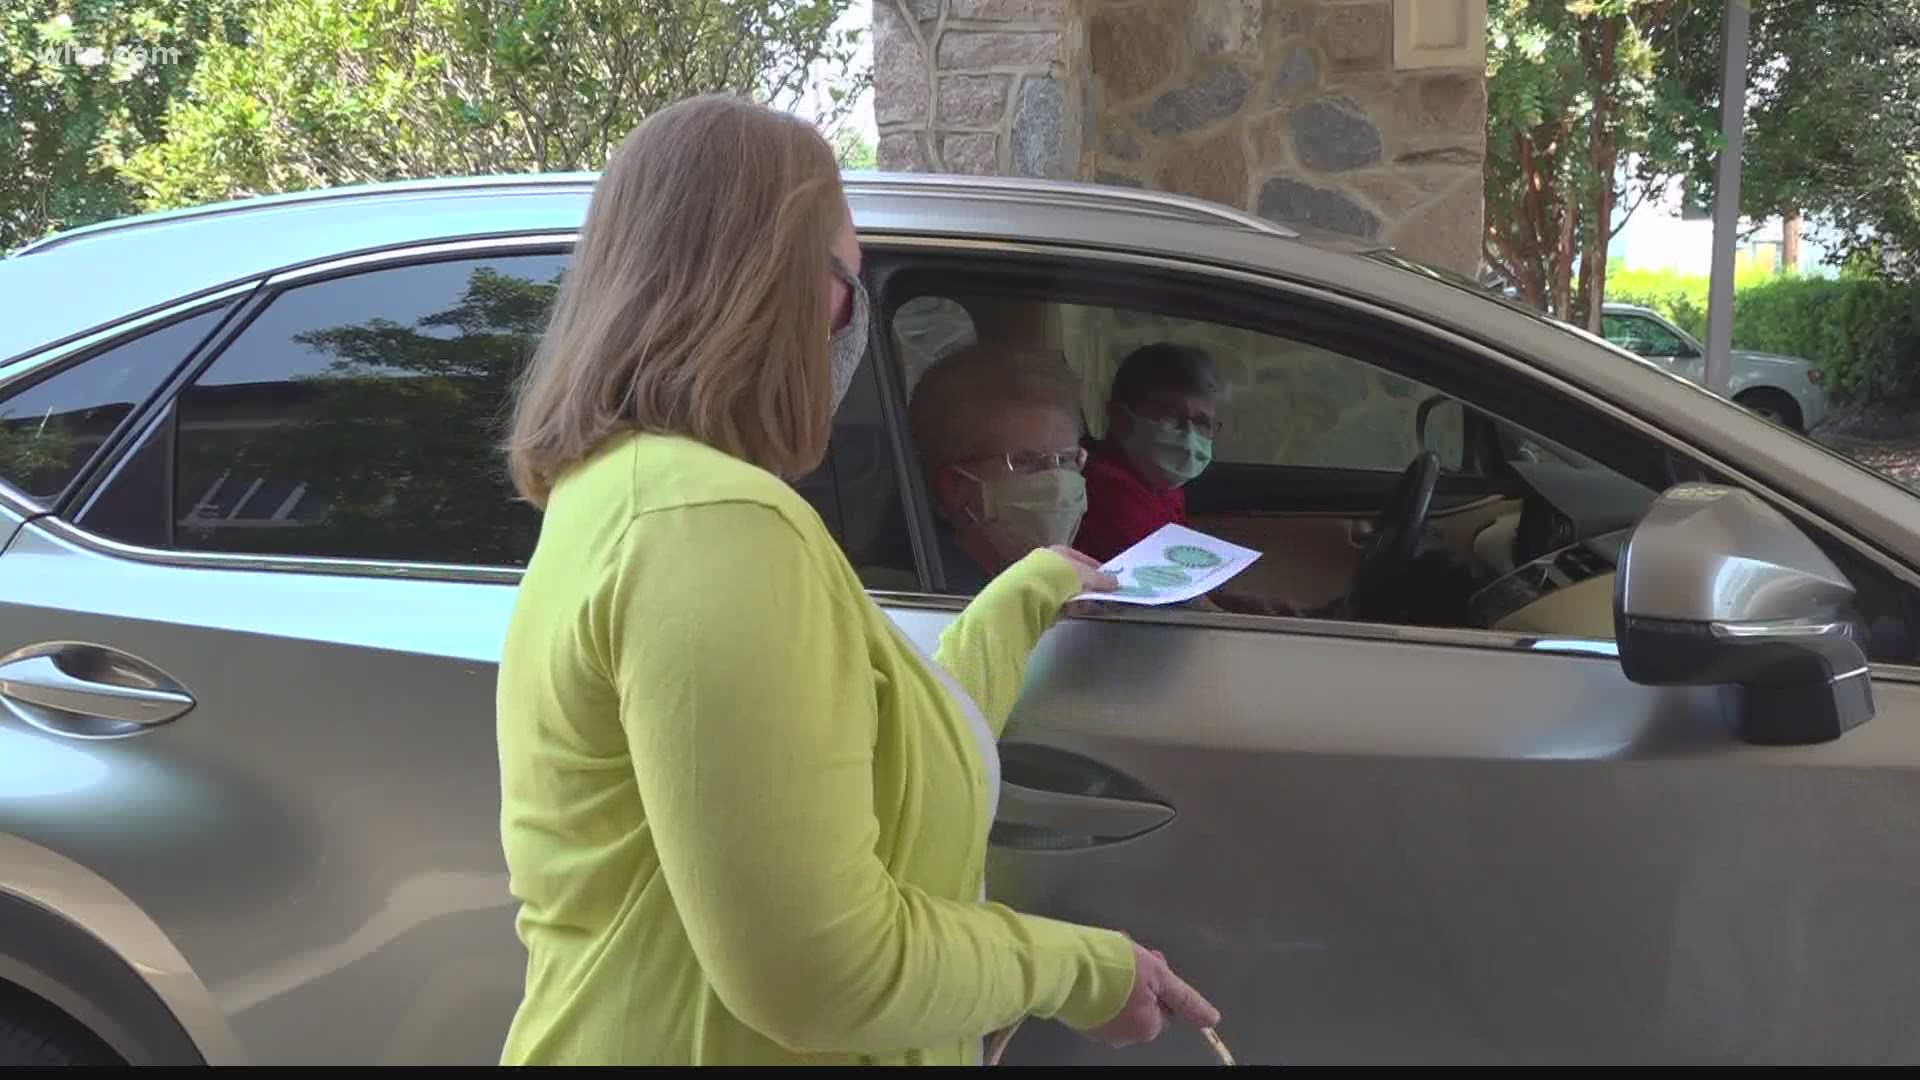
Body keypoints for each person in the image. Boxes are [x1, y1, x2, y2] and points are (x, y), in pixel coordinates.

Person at [493, 94, 1217, 1066]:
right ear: (774, 290)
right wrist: (1080, 970)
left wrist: (1029, 590)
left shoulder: (639, 498)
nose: (851, 322)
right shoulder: (713, 527)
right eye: (848, 282)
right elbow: (825, 970)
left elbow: (894, 736)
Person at [908, 342, 1091, 593]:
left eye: (1067, 459)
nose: (1058, 483)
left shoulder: (1072, 582)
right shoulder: (927, 592)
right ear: (956, 486)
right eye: (1026, 461)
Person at [1074, 342, 1225, 563]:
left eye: (1202, 422)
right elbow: (1171, 581)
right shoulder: (1108, 491)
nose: (1189, 435)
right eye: (1172, 415)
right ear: (1120, 417)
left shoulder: (1159, 484)